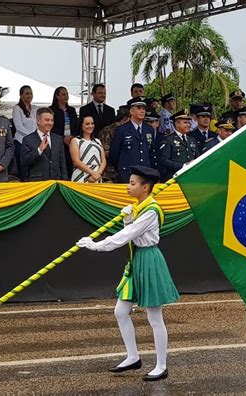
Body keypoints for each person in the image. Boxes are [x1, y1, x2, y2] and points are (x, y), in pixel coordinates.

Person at [77, 165, 179, 381]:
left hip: (149, 260)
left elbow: (127, 236)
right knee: (121, 312)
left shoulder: (151, 210)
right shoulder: (140, 207)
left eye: (133, 183)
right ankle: (133, 357)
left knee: (154, 317)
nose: (128, 186)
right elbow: (132, 233)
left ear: (145, 187)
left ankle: (161, 366)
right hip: (136, 260)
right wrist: (128, 217)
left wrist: (95, 245)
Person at [110, 98, 155, 183]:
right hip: (127, 173)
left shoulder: (149, 129)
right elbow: (114, 154)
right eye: (138, 108)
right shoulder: (122, 130)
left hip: (145, 172)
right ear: (131, 111)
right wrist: (122, 168)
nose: (142, 111)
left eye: (144, 109)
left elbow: (151, 151)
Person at [21, 107, 68, 181]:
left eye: (52, 120)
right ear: (38, 121)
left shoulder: (58, 139)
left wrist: (65, 181)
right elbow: (25, 161)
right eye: (46, 120)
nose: (50, 123)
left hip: (56, 182)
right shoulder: (28, 140)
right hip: (37, 183)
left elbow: (62, 163)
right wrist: (39, 150)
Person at [158, 109, 199, 182]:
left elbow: (197, 157)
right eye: (185, 123)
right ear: (177, 124)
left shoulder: (192, 140)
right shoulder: (168, 140)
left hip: (190, 178)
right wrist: (183, 166)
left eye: (188, 123)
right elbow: (164, 160)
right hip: (174, 178)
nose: (188, 125)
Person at [50, 86, 78, 176]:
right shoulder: (52, 110)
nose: (66, 96)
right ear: (57, 96)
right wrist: (62, 138)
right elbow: (51, 126)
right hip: (58, 140)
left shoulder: (71, 110)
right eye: (63, 94)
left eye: (67, 94)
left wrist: (72, 136)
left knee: (71, 162)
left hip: (71, 141)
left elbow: (76, 125)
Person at [98, 106, 130, 183]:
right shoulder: (107, 131)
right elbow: (104, 151)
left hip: (125, 171)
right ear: (125, 119)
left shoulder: (129, 130)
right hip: (109, 172)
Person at [70, 115, 107, 183]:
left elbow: (103, 161)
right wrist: (92, 173)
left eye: (92, 123)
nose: (90, 126)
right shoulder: (75, 140)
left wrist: (98, 174)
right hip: (80, 176)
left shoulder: (97, 141)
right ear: (81, 125)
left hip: (96, 178)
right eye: (87, 124)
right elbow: (76, 162)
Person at [12, 85, 38, 180]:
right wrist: (31, 136)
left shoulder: (35, 108)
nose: (29, 95)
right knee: (23, 167)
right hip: (21, 141)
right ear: (21, 95)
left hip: (34, 142)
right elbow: (18, 126)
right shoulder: (17, 108)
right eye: (27, 93)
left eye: (31, 93)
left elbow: (38, 123)